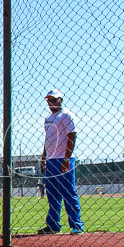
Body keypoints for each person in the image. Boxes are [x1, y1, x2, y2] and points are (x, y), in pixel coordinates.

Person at [37, 89, 84, 235]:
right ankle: (53, 225)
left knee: (69, 192)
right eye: (49, 100)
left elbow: (72, 136)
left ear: (60, 100)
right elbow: (47, 140)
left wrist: (67, 158)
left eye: (53, 100)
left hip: (63, 159)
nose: (51, 103)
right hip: (51, 160)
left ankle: (76, 225)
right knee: (52, 195)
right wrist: (44, 157)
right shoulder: (48, 119)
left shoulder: (67, 115)